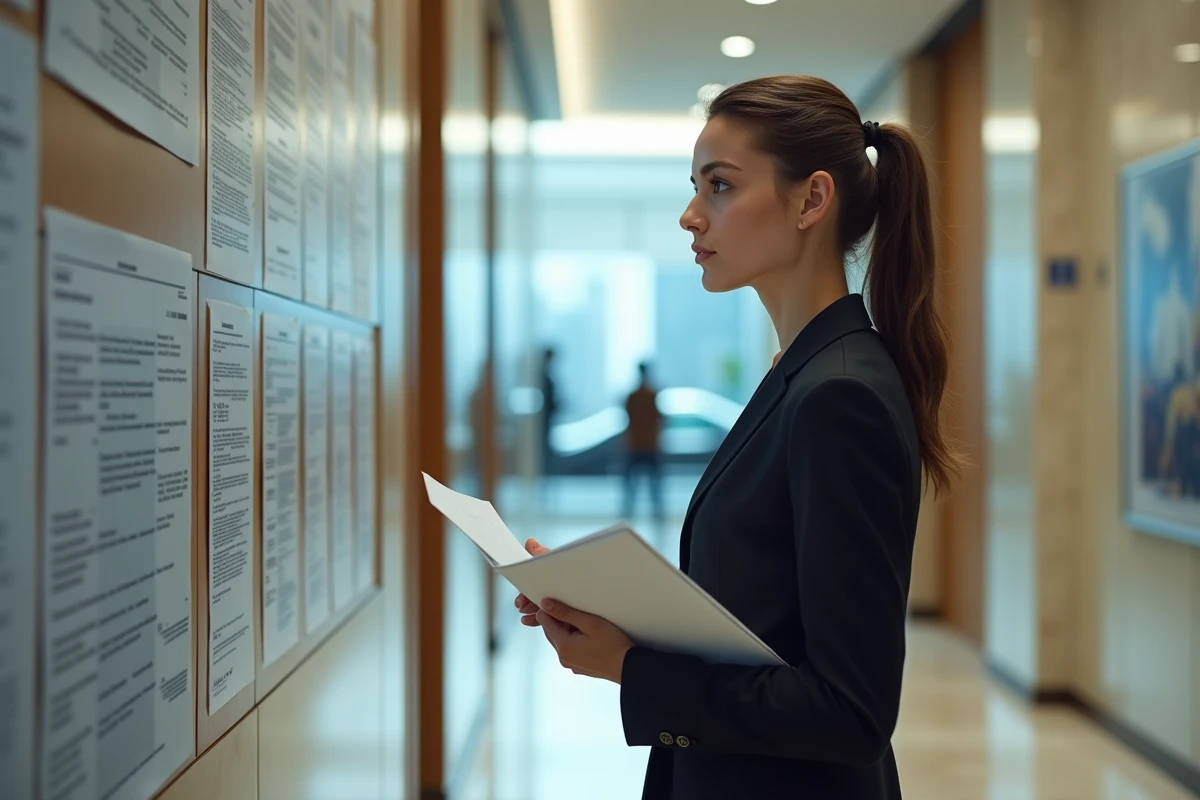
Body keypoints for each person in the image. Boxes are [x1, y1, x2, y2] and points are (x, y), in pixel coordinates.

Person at [513, 74, 959, 799]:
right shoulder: (800, 368)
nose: (691, 216)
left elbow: (851, 714)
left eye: (719, 186)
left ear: (812, 199)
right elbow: (767, 615)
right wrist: (614, 612)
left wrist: (631, 667)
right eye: (695, 186)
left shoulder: (839, 393)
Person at [622, 361, 665, 522]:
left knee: (631, 488)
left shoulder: (633, 396)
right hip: (649, 445)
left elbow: (628, 419)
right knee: (655, 487)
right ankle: (658, 517)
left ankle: (628, 517)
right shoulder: (652, 395)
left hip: (635, 445)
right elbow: (659, 420)